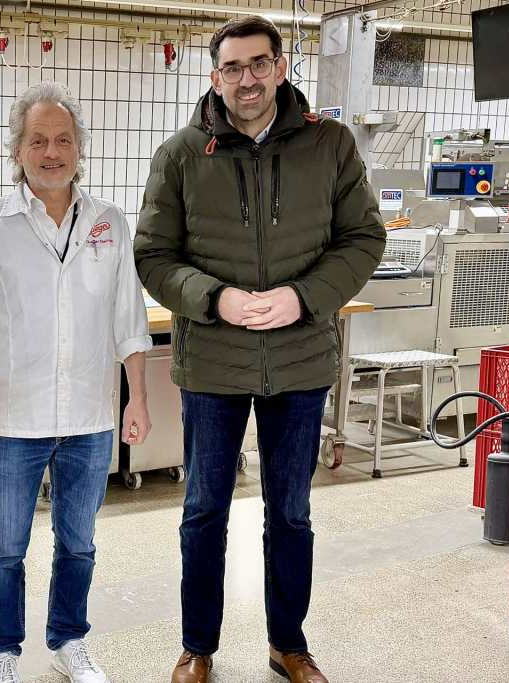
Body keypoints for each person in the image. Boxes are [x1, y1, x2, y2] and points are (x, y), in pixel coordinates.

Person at [134, 16, 386, 683]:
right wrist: (214, 298)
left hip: (299, 362)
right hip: (212, 364)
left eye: (258, 64)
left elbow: (364, 237)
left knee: (292, 513)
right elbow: (153, 255)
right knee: (203, 511)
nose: (246, 79)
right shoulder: (181, 155)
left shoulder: (330, 145)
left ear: (280, 67)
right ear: (215, 76)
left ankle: (288, 644)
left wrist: (304, 297)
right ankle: (197, 646)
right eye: (232, 67)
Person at [0, 81, 153, 683]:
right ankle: (0, 653)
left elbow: (128, 316)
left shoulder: (109, 223)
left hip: (90, 415)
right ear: (18, 150)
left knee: (79, 543)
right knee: (5, 547)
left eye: (63, 140)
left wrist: (137, 396)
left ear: (79, 149)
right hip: (15, 417)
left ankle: (69, 640)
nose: (52, 152)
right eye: (38, 140)